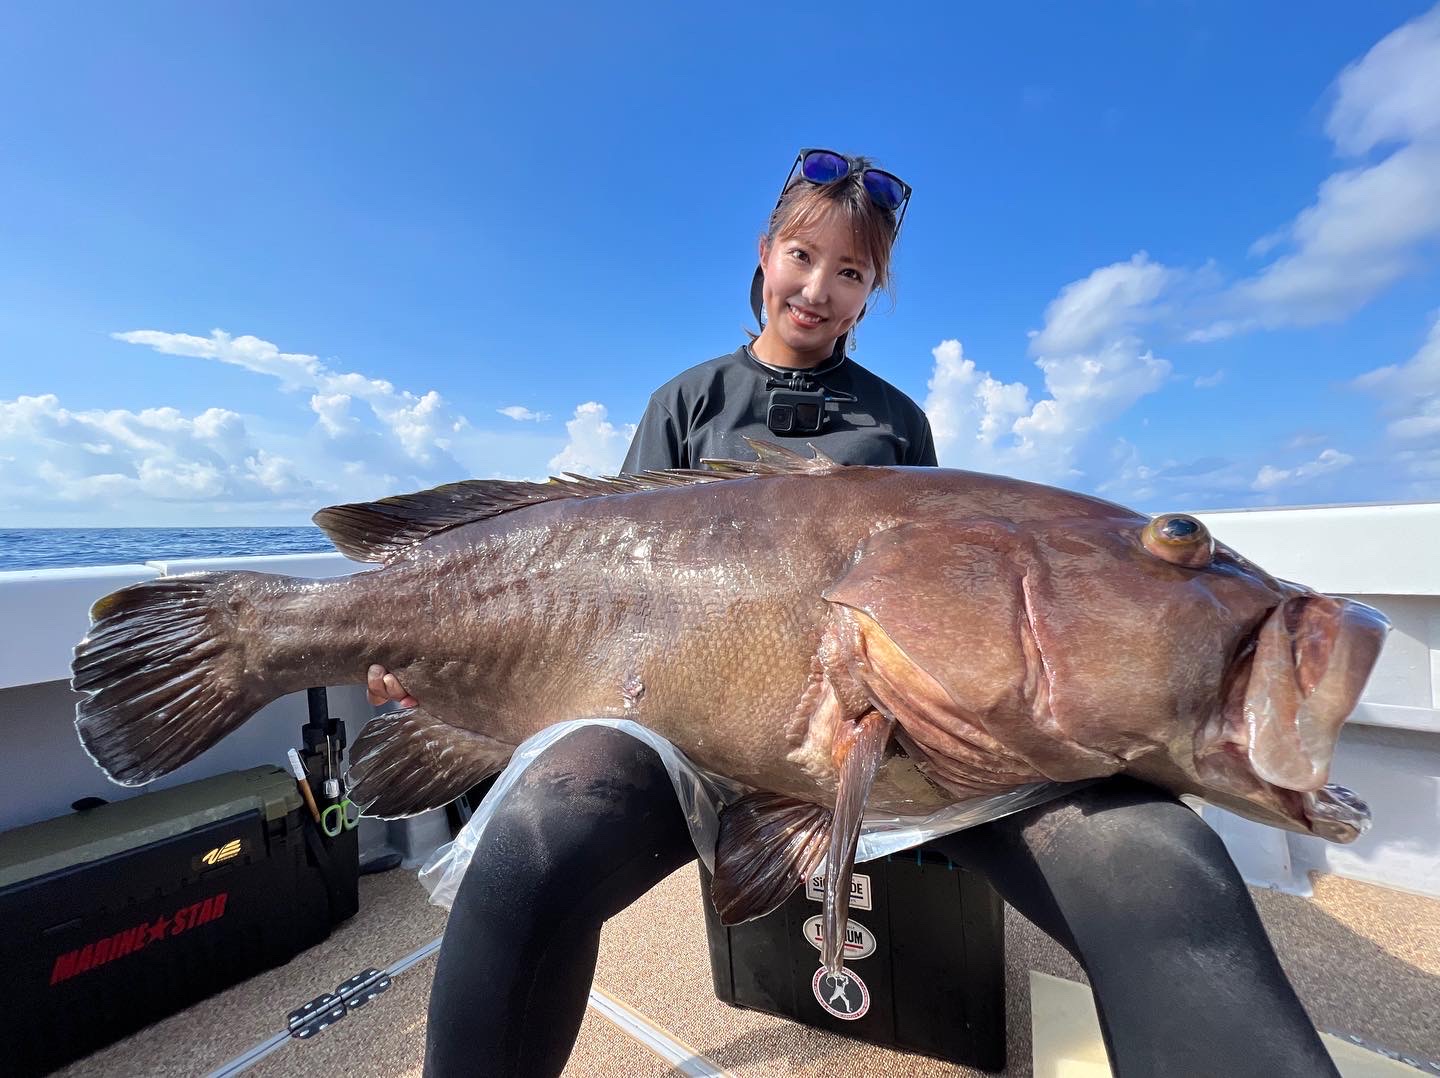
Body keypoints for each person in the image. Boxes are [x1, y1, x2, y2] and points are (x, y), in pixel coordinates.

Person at [368, 150, 1339, 1078]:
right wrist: (440, 662)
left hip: (933, 743)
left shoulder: (897, 420)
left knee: (1161, 860)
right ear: (764, 255)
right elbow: (605, 573)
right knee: (536, 837)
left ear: (873, 292)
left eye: (851, 270)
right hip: (688, 731)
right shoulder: (685, 401)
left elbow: (952, 600)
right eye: (802, 255)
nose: (819, 285)